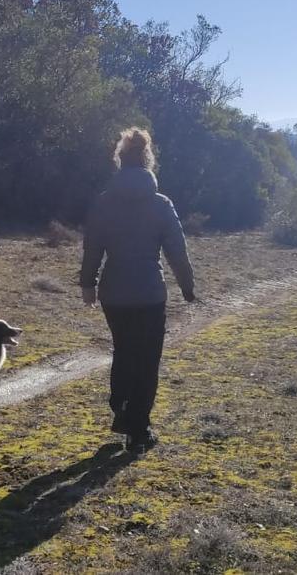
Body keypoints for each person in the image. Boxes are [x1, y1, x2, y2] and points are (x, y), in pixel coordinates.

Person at [79, 128, 195, 454]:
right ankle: (139, 430)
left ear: (120, 160)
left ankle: (121, 409)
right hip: (149, 295)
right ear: (147, 160)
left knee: (124, 351)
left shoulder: (103, 202)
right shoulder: (162, 204)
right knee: (146, 360)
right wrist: (187, 287)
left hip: (114, 294)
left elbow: (92, 249)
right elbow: (177, 251)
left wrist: (88, 284)